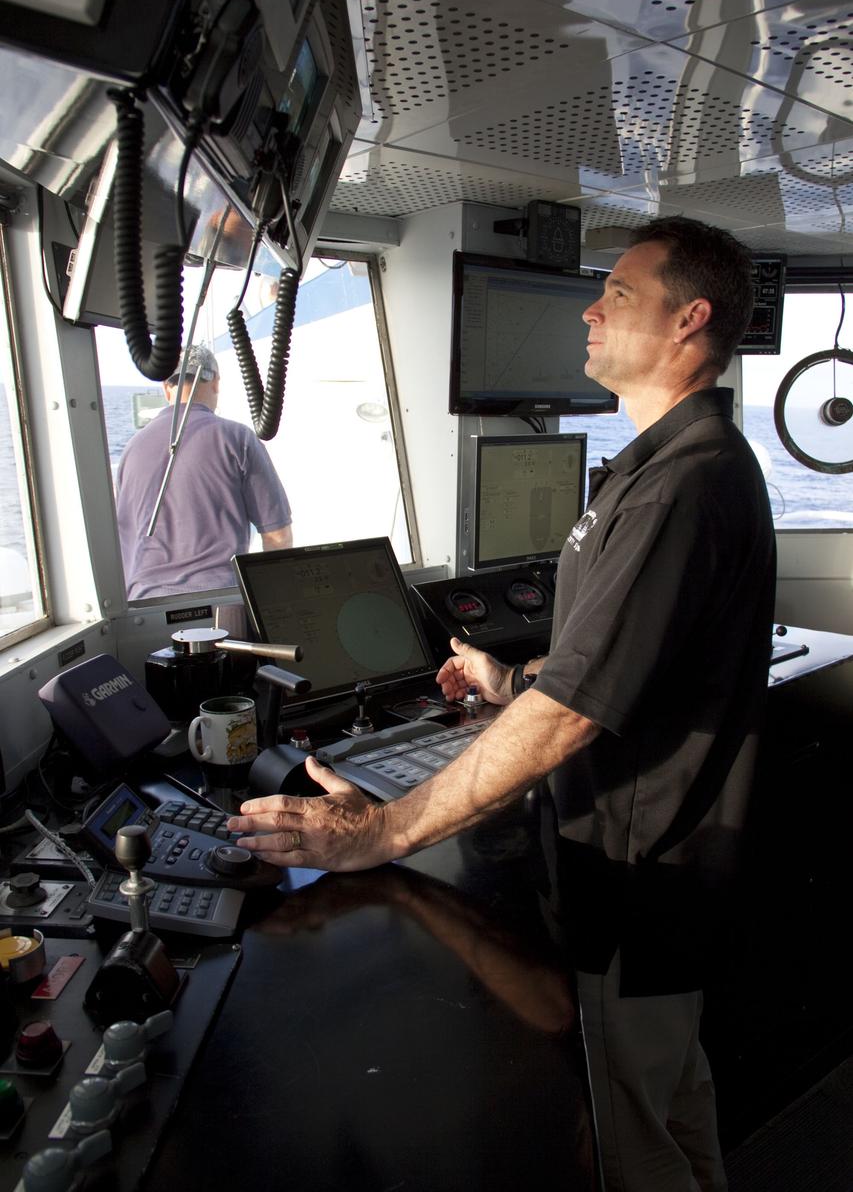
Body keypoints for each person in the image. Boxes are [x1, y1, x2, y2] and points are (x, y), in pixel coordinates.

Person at [228, 218, 775, 1188]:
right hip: (662, 882)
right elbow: (611, 669)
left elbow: (572, 711)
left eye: (617, 292)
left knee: (631, 1148)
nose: (590, 309)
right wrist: (505, 680)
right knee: (672, 1104)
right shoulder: (676, 465)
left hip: (630, 888)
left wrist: (382, 828)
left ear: (688, 320)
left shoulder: (679, 489)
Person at [116, 345, 292, 599]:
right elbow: (278, 536)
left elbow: (124, 540)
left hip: (144, 604)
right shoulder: (238, 439)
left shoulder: (132, 449)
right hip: (221, 601)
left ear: (166, 388)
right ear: (216, 383)